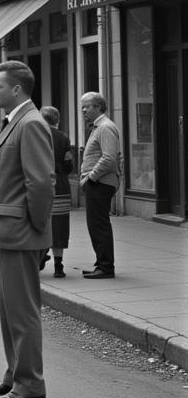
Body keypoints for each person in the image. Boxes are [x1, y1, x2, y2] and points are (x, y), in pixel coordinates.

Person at [0, 60, 54, 398]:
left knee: (23, 313)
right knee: (10, 311)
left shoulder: (32, 124)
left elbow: (40, 183)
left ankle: (30, 384)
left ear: (17, 90)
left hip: (22, 231)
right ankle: (15, 373)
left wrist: (38, 230)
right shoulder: (17, 122)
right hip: (11, 231)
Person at [79, 91, 122, 279]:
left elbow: (109, 158)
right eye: (82, 107)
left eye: (86, 106)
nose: (83, 110)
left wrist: (90, 178)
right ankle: (101, 264)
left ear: (98, 107)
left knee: (99, 224)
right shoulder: (98, 127)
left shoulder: (105, 127)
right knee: (95, 224)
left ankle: (105, 267)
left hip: (100, 183)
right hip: (98, 182)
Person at [40, 106, 73, 278]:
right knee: (59, 224)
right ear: (57, 120)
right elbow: (69, 165)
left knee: (41, 221)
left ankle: (39, 255)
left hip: (41, 184)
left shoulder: (38, 136)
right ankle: (58, 265)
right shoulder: (64, 137)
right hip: (60, 185)